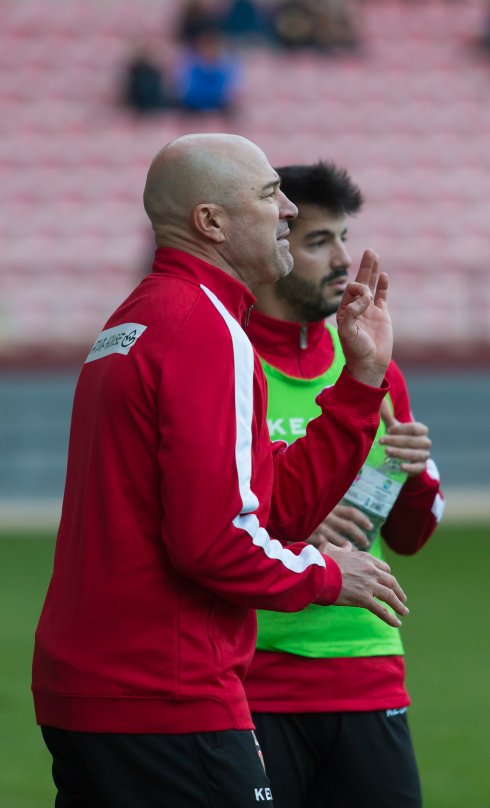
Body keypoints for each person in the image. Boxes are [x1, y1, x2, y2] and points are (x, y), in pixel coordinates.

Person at [32, 134, 408, 808]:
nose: (289, 210)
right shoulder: (203, 328)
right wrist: (326, 572)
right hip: (163, 692)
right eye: (269, 195)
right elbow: (216, 541)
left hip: (95, 688)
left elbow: (268, 502)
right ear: (211, 222)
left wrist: (360, 382)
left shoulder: (142, 317)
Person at [244, 160, 445, 808]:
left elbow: (412, 535)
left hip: (367, 664)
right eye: (318, 241)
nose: (342, 260)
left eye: (344, 238)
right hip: (254, 677)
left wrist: (410, 475)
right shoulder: (226, 356)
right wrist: (294, 516)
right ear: (275, 248)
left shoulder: (366, 357)